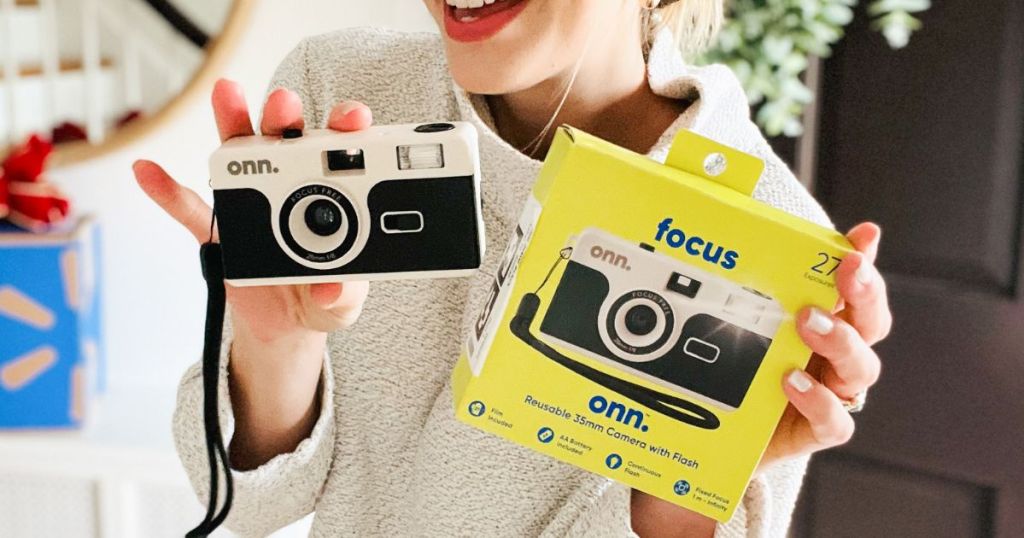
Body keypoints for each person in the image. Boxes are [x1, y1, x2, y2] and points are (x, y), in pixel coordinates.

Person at [132, 0, 891, 536]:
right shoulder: (342, 93)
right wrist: (277, 343)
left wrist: (683, 492)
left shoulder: (772, 244)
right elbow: (245, 505)